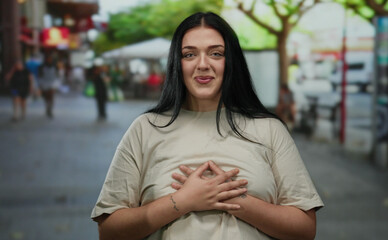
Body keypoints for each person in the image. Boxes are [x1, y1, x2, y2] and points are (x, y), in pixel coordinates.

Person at [91, 12, 323, 240]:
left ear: (231, 61)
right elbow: (109, 230)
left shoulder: (269, 129)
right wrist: (182, 201)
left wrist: (234, 199)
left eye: (216, 53)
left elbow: (304, 228)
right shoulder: (145, 129)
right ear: (176, 63)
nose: (203, 64)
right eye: (189, 54)